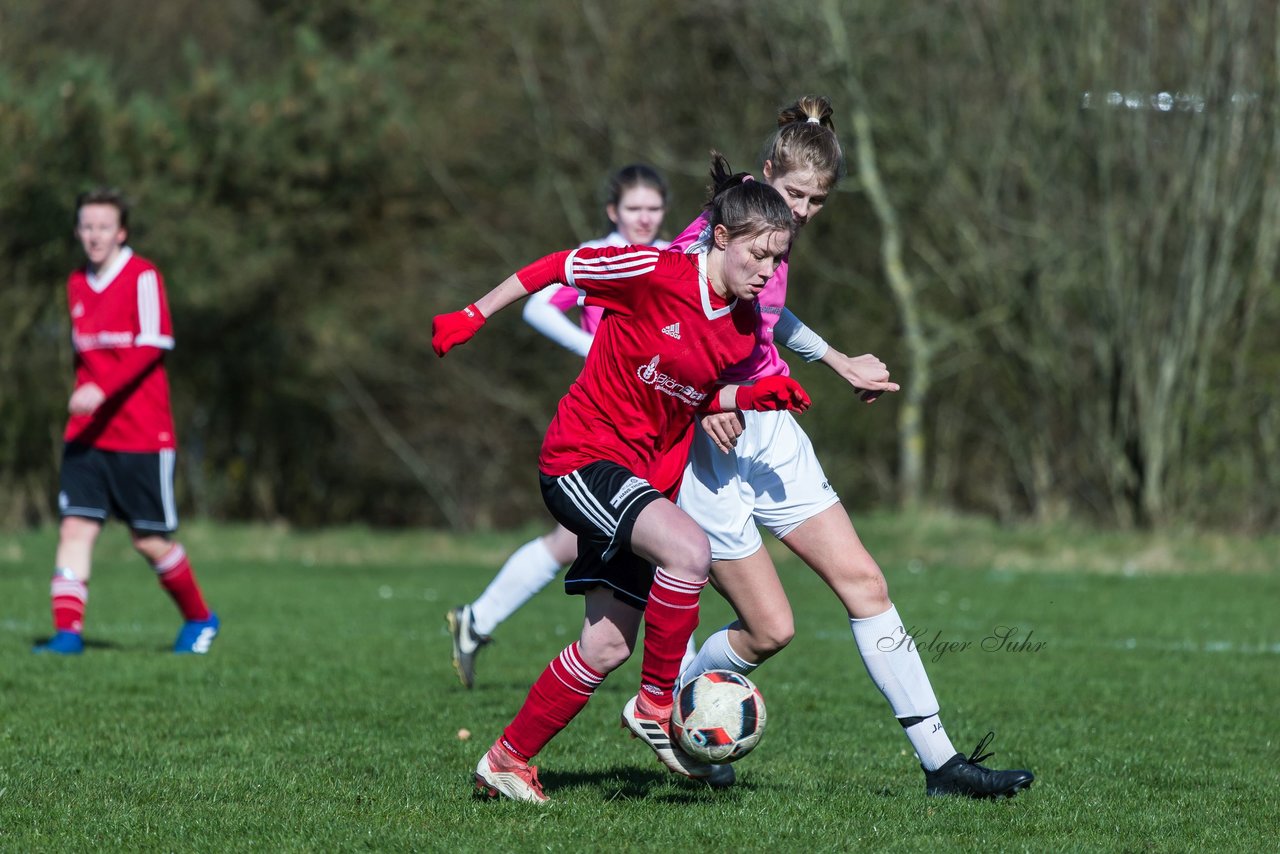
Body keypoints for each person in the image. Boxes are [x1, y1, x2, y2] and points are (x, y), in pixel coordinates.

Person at [671, 97, 1035, 798]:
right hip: (708, 456)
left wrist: (837, 360)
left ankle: (942, 764)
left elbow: (767, 315)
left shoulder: (774, 236)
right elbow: (663, 325)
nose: (803, 212)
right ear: (767, 170)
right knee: (771, 632)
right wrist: (703, 398)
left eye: (817, 201)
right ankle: (674, 699)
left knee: (866, 583)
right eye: (794, 194)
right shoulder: (711, 234)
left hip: (771, 431)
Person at [431, 157, 810, 803]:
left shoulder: (743, 328)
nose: (770, 272)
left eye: (779, 260)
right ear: (722, 238)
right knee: (688, 551)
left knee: (604, 647)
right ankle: (655, 707)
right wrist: (474, 312)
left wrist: (748, 398)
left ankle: (505, 760)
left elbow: (692, 398)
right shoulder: (655, 272)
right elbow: (556, 266)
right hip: (582, 458)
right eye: (761, 255)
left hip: (643, 482)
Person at [445, 164, 672, 689]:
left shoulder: (668, 257)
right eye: (634, 208)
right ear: (614, 211)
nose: (644, 218)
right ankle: (662, 682)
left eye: (653, 209)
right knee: (642, 538)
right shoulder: (606, 256)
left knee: (584, 540)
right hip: (607, 418)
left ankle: (477, 621)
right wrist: (590, 345)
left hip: (652, 419)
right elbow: (539, 308)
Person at [33, 188, 219, 656]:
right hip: (87, 436)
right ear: (78, 231)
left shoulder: (143, 276)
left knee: (150, 540)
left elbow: (152, 344)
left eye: (103, 226)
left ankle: (200, 618)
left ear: (121, 231)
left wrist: (102, 389)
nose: (94, 235)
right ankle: (67, 635)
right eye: (86, 226)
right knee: (75, 528)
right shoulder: (76, 283)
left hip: (141, 433)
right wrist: (82, 394)